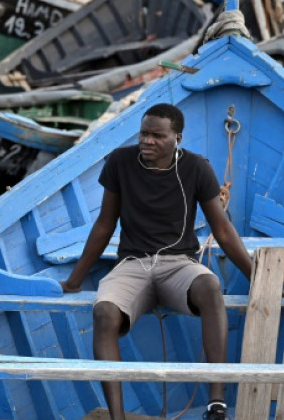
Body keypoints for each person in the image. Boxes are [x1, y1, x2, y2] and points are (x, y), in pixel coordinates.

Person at [59, 103, 253, 420]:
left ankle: (215, 404)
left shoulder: (196, 167)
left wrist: (254, 275)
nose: (147, 141)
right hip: (133, 264)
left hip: (178, 263)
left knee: (210, 286)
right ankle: (117, 417)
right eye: (144, 133)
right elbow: (105, 224)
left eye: (157, 136)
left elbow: (222, 229)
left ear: (177, 137)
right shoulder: (120, 162)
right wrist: (75, 280)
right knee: (105, 312)